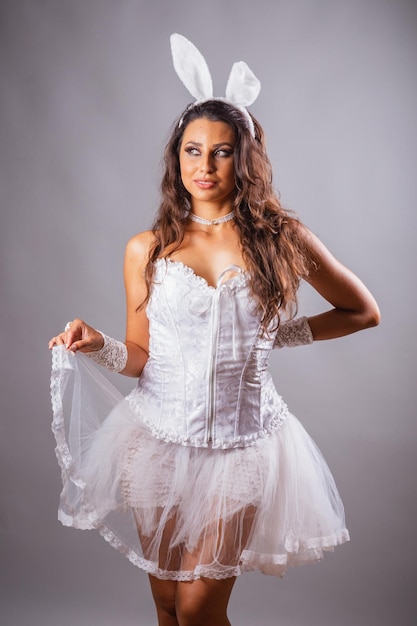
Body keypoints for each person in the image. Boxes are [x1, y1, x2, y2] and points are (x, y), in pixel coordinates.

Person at [48, 34, 380, 626]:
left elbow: (362, 311)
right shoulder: (146, 248)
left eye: (222, 152)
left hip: (243, 444)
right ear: (176, 157)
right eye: (193, 150)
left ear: (244, 158)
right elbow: (142, 356)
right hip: (156, 440)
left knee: (201, 609)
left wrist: (276, 337)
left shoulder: (282, 239)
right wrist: (97, 343)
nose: (204, 166)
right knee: (168, 603)